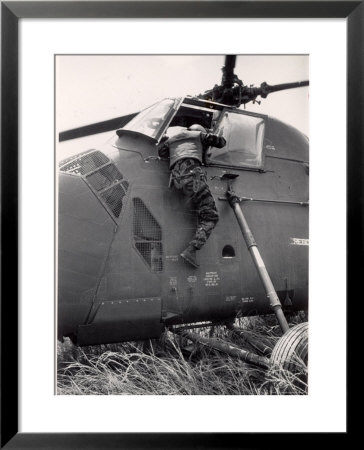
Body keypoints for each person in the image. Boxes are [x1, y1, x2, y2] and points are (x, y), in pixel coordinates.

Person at [158, 124, 226, 268]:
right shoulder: (198, 135)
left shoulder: (172, 139)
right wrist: (208, 138)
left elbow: (162, 152)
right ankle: (191, 250)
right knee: (211, 216)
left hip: (177, 182)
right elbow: (221, 142)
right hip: (193, 180)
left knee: (197, 205)